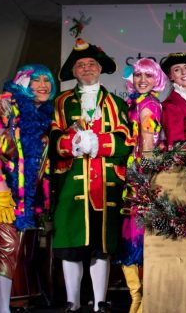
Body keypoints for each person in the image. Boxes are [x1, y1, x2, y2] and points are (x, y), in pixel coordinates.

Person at [50, 38, 133, 313]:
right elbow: (51, 141)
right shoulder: (61, 102)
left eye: (91, 64)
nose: (86, 68)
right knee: (71, 244)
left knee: (101, 245)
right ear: (74, 71)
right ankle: (72, 302)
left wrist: (97, 143)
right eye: (81, 65)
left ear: (100, 69)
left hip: (105, 186)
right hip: (70, 186)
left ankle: (100, 302)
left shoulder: (116, 103)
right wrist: (71, 144)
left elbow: (125, 143)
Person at [0, 64, 57, 313]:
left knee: (13, 253)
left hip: (24, 197)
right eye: (36, 80)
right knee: (5, 250)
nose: (43, 85)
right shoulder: (6, 105)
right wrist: (0, 191)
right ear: (23, 82)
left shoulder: (43, 114)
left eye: (47, 80)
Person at [117, 57, 167, 313]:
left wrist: (142, 181)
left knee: (138, 238)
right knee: (131, 237)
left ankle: (144, 300)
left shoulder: (149, 104)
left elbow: (147, 145)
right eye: (138, 76)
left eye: (148, 76)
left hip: (141, 178)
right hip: (131, 176)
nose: (143, 80)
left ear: (156, 79)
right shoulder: (134, 102)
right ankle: (137, 298)